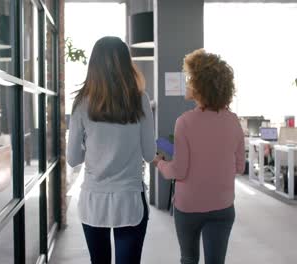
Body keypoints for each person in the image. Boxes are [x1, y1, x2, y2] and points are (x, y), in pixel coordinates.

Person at [67, 36, 155, 264]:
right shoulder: (140, 100)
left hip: (93, 199)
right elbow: (149, 154)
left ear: (94, 66)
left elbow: (73, 158)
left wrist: (94, 146)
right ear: (126, 65)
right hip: (130, 199)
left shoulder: (81, 103)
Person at [152, 49, 245, 264]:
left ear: (201, 85)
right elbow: (240, 167)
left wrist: (160, 163)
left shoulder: (184, 122)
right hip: (222, 207)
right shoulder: (233, 121)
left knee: (189, 258)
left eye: (190, 78)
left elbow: (178, 171)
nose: (187, 83)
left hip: (189, 208)